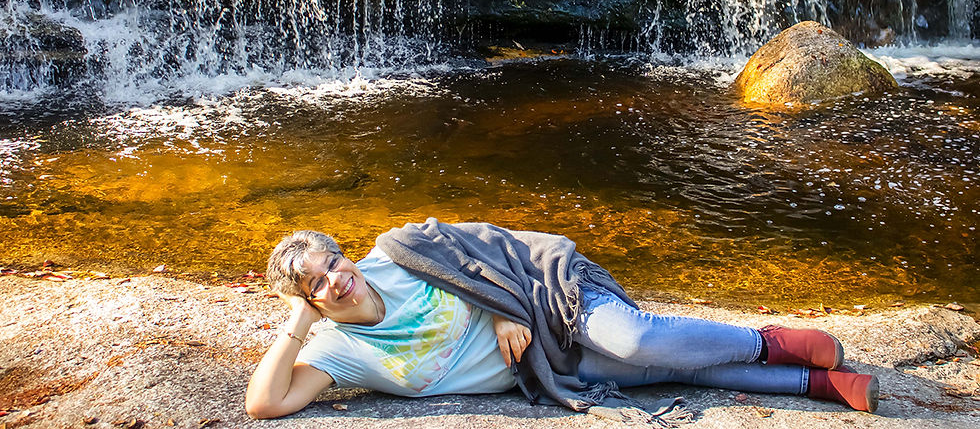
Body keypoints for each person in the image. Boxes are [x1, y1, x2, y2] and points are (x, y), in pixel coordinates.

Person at [245, 219, 879, 421]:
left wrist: (502, 310)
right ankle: (815, 384)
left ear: (345, 253)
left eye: (333, 261)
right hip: (548, 367)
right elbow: (265, 405)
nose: (336, 279)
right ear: (307, 298)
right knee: (668, 374)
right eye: (316, 284)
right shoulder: (339, 348)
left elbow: (490, 247)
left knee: (633, 338)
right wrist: (296, 324)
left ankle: (769, 341)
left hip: (552, 299)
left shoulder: (399, 252)